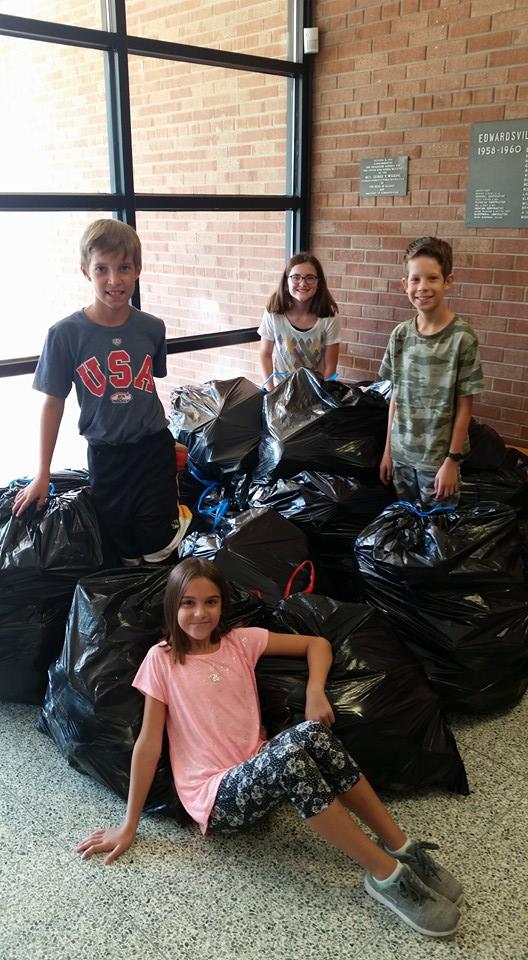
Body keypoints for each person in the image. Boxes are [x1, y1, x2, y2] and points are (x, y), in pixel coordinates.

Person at [77, 557, 462, 939]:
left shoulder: (239, 642)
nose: (200, 613)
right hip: (215, 795)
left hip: (262, 765)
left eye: (210, 602)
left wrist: (315, 691)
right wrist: (129, 826)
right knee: (291, 755)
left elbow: (318, 644)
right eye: (188, 603)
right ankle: (386, 876)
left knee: (312, 733)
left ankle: (401, 846)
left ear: (222, 604)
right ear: (172, 605)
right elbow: (148, 743)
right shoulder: (161, 660)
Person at [12, 219, 190, 564]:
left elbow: (148, 389)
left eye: (124, 268)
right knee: (120, 543)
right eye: (102, 269)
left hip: (153, 450)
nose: (114, 280)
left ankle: (163, 609)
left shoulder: (152, 328)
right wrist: (43, 473)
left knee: (160, 543)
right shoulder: (64, 335)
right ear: (85, 272)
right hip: (106, 456)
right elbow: (52, 404)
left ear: (138, 269)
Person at [379, 236, 484, 508]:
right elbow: (396, 397)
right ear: (405, 284)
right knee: (406, 525)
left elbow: (464, 406)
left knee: (439, 534)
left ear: (448, 281)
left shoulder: (462, 337)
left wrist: (452, 460)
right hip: (402, 458)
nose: (422, 287)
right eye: (415, 279)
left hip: (438, 462)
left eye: (432, 279)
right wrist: (388, 451)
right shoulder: (400, 335)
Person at [258, 253, 340, 387]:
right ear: (286, 282)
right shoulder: (273, 312)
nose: (302, 283)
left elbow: (331, 364)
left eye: (310, 278)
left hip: (315, 390)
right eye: (295, 277)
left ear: (318, 283)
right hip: (281, 389)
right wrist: (271, 390)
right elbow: (265, 354)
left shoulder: (329, 315)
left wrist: (324, 396)